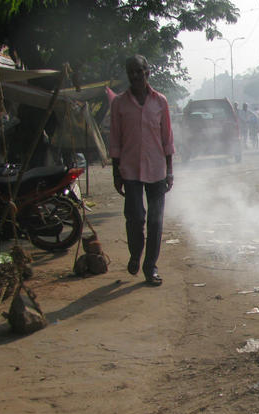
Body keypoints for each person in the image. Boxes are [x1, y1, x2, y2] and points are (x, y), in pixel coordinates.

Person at [110, 54, 174, 287]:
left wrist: (170, 171)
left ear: (148, 72)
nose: (136, 75)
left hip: (157, 169)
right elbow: (115, 139)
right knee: (135, 218)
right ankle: (136, 253)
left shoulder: (160, 102)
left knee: (156, 221)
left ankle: (150, 267)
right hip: (130, 170)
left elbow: (167, 138)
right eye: (131, 72)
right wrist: (116, 173)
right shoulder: (119, 103)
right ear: (128, 75)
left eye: (140, 71)